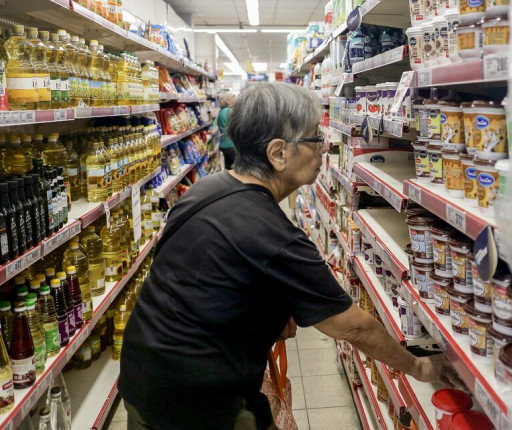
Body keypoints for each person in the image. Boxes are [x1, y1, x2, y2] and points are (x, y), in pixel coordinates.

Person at [119, 82, 460, 430]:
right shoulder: (275, 235)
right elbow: (355, 327)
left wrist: (260, 310)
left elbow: (189, 272)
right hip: (198, 406)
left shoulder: (206, 188)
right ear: (279, 153)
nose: (325, 148)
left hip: (141, 377)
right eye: (315, 138)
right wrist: (419, 367)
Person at [217, 90, 237, 169]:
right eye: (233, 96)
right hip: (231, 144)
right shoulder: (229, 111)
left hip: (224, 144)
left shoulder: (222, 111)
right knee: (241, 167)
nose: (235, 98)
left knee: (228, 168)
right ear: (227, 101)